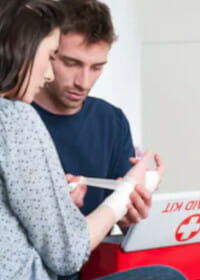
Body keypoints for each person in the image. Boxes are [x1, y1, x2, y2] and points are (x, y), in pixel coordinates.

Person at [0, 1, 180, 280]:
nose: (83, 82)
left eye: (97, 67)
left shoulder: (112, 121)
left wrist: (130, 207)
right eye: (70, 63)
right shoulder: (18, 116)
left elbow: (116, 224)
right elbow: (65, 253)